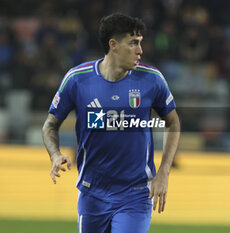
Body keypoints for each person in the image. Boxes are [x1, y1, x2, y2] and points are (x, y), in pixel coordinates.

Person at [42, 13, 180, 233]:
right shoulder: (77, 79)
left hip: (135, 194)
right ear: (113, 45)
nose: (140, 50)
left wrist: (163, 172)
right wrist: (55, 154)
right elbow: (50, 125)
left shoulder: (152, 79)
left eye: (141, 43)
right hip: (91, 193)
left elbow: (173, 123)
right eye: (133, 43)